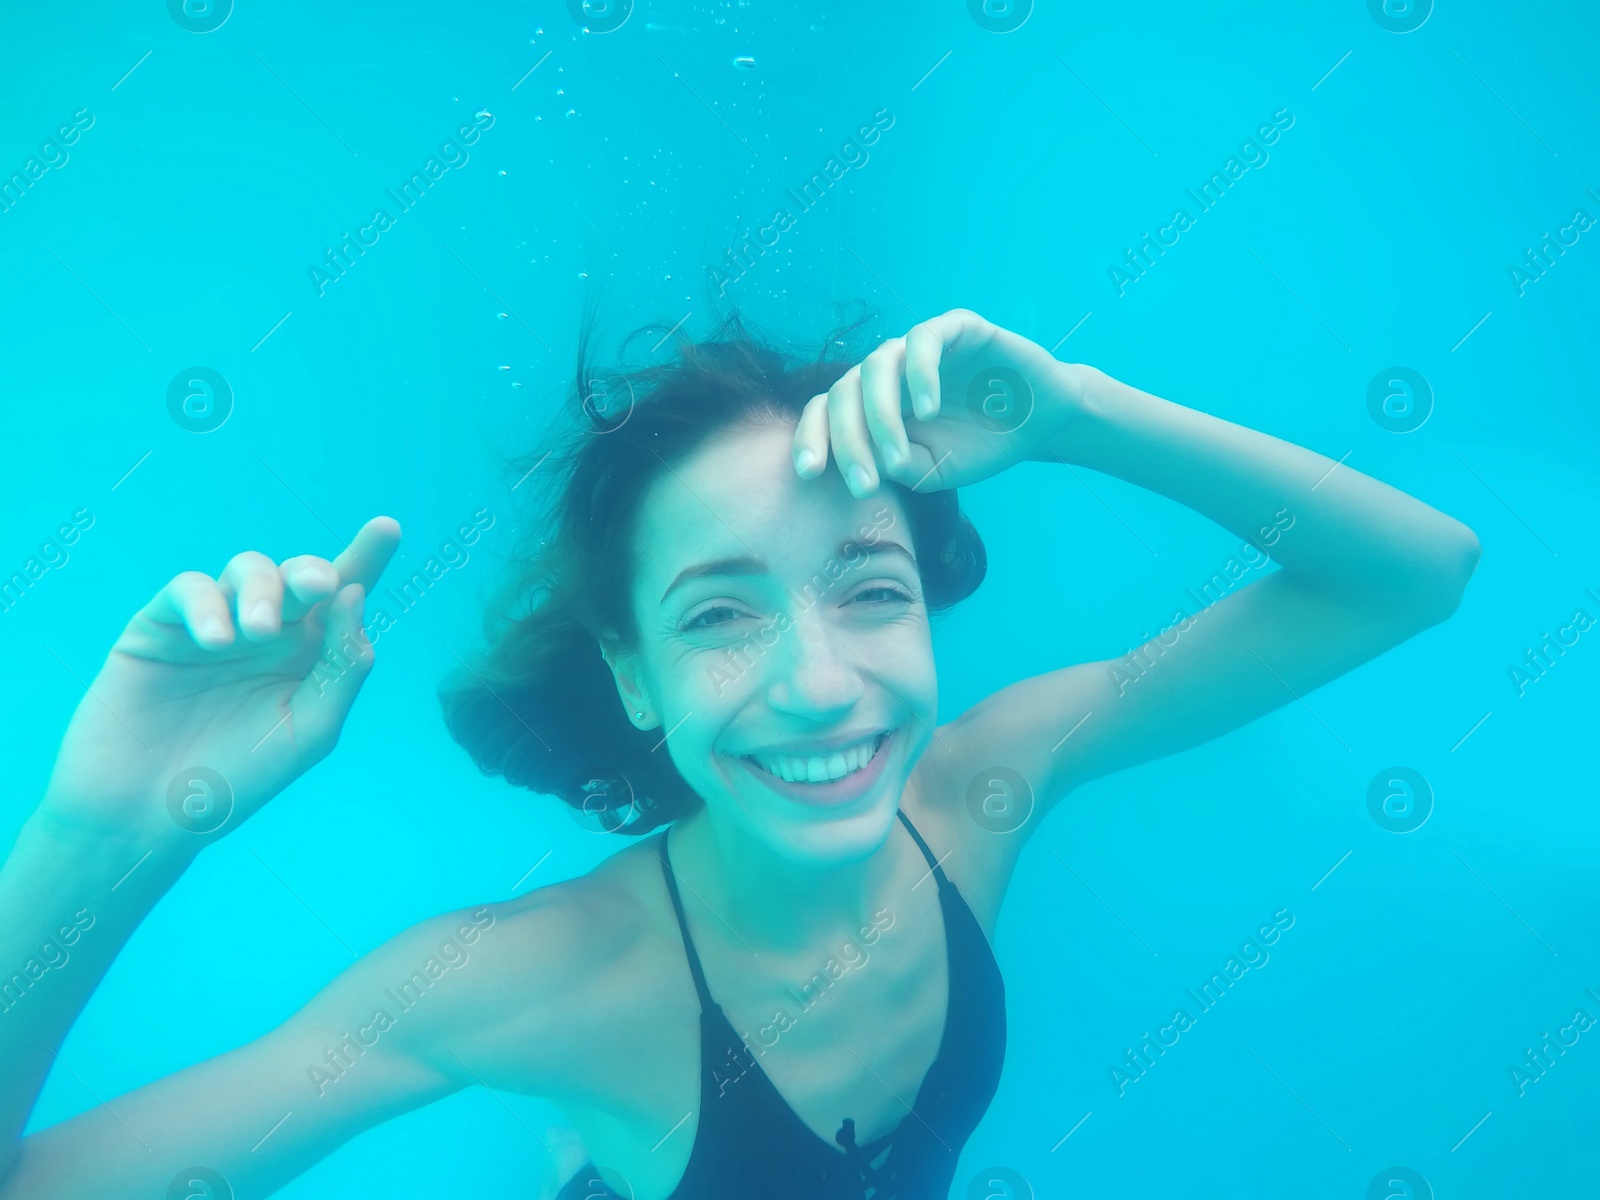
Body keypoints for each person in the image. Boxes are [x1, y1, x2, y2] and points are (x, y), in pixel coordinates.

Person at [0, 308, 1481, 1200]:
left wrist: (1082, 416)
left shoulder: (981, 789)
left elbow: (1413, 576)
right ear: (632, 675)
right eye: (721, 612)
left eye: (871, 587)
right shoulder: (528, 981)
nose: (822, 684)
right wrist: (104, 831)